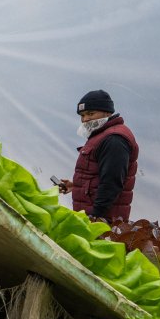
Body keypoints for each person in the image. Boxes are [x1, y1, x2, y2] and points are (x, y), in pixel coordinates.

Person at [57, 89, 139, 222]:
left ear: (107, 112)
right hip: (93, 217)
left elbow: (112, 182)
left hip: (103, 220)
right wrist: (76, 186)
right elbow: (98, 175)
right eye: (82, 115)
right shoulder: (101, 136)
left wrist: (96, 216)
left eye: (90, 113)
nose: (85, 119)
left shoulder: (114, 139)